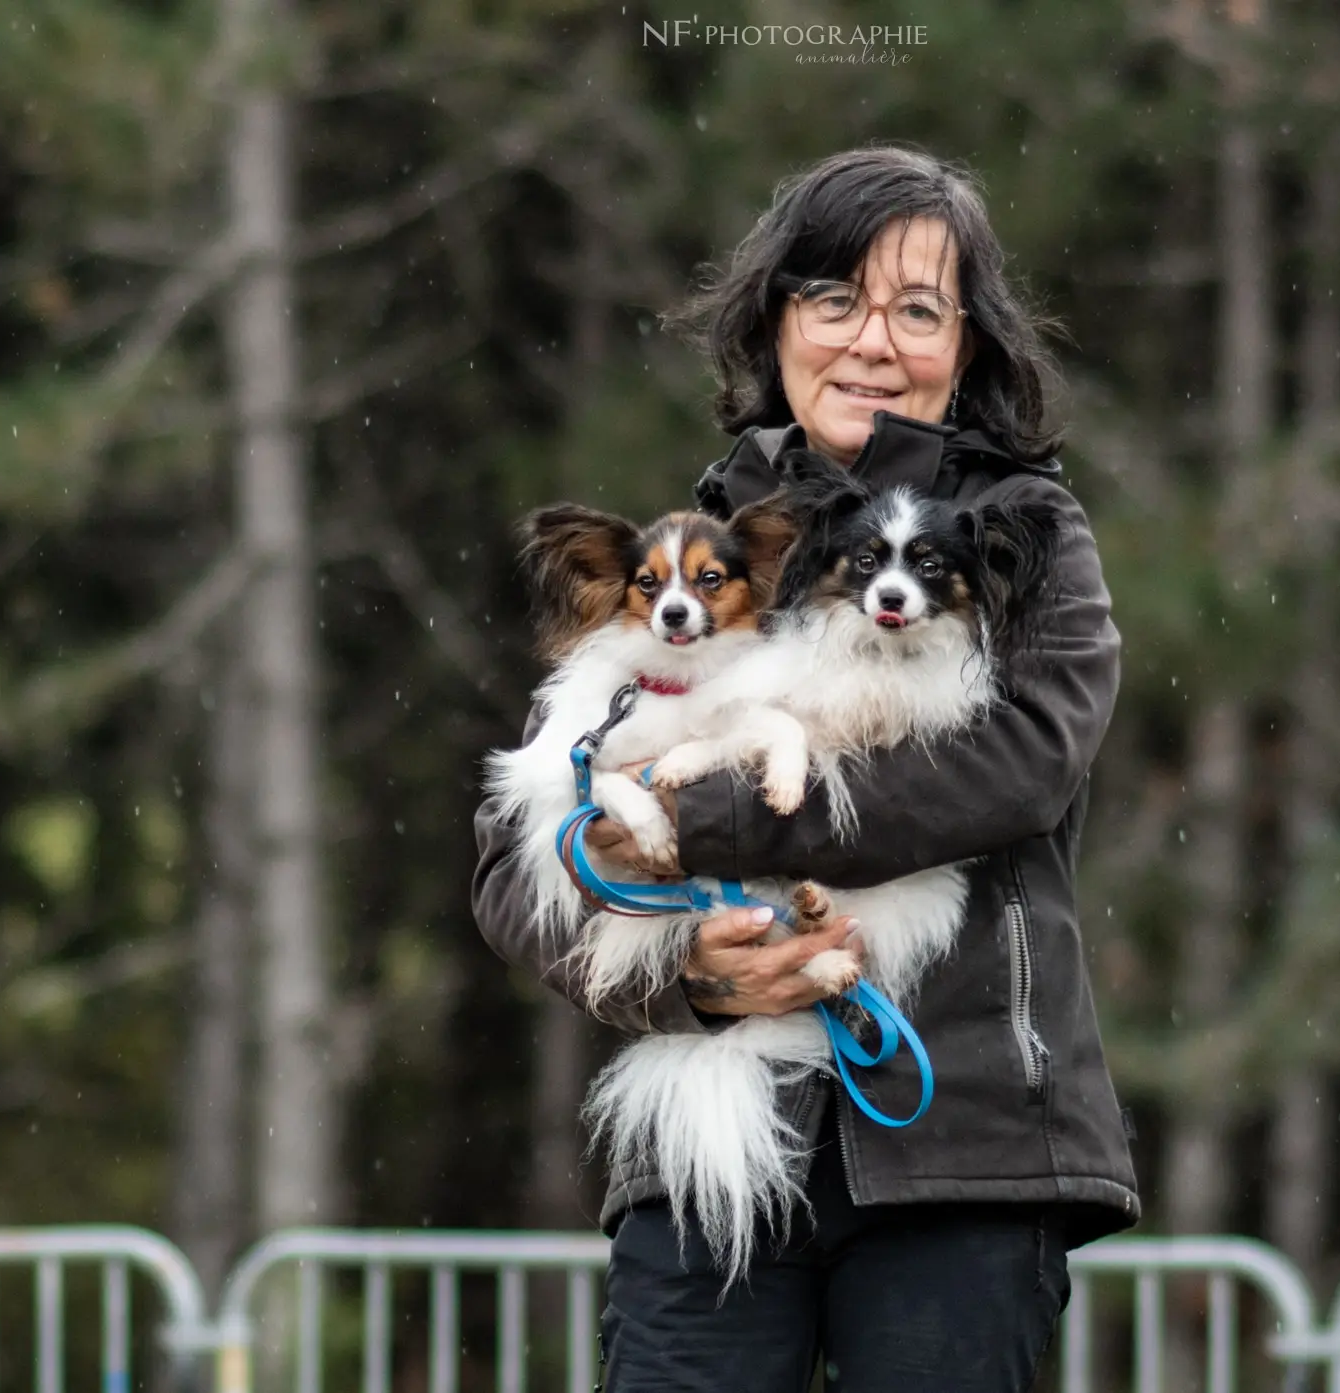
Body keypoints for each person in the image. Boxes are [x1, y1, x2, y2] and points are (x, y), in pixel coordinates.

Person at [471, 144, 1139, 1393]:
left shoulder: (1027, 534)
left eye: (918, 309)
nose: (870, 340)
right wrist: (686, 976)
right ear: (774, 318)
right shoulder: (698, 553)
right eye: (833, 298)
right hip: (712, 1150)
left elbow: (1015, 770)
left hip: (964, 1144)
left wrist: (698, 815)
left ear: (971, 346)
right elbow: (515, 863)